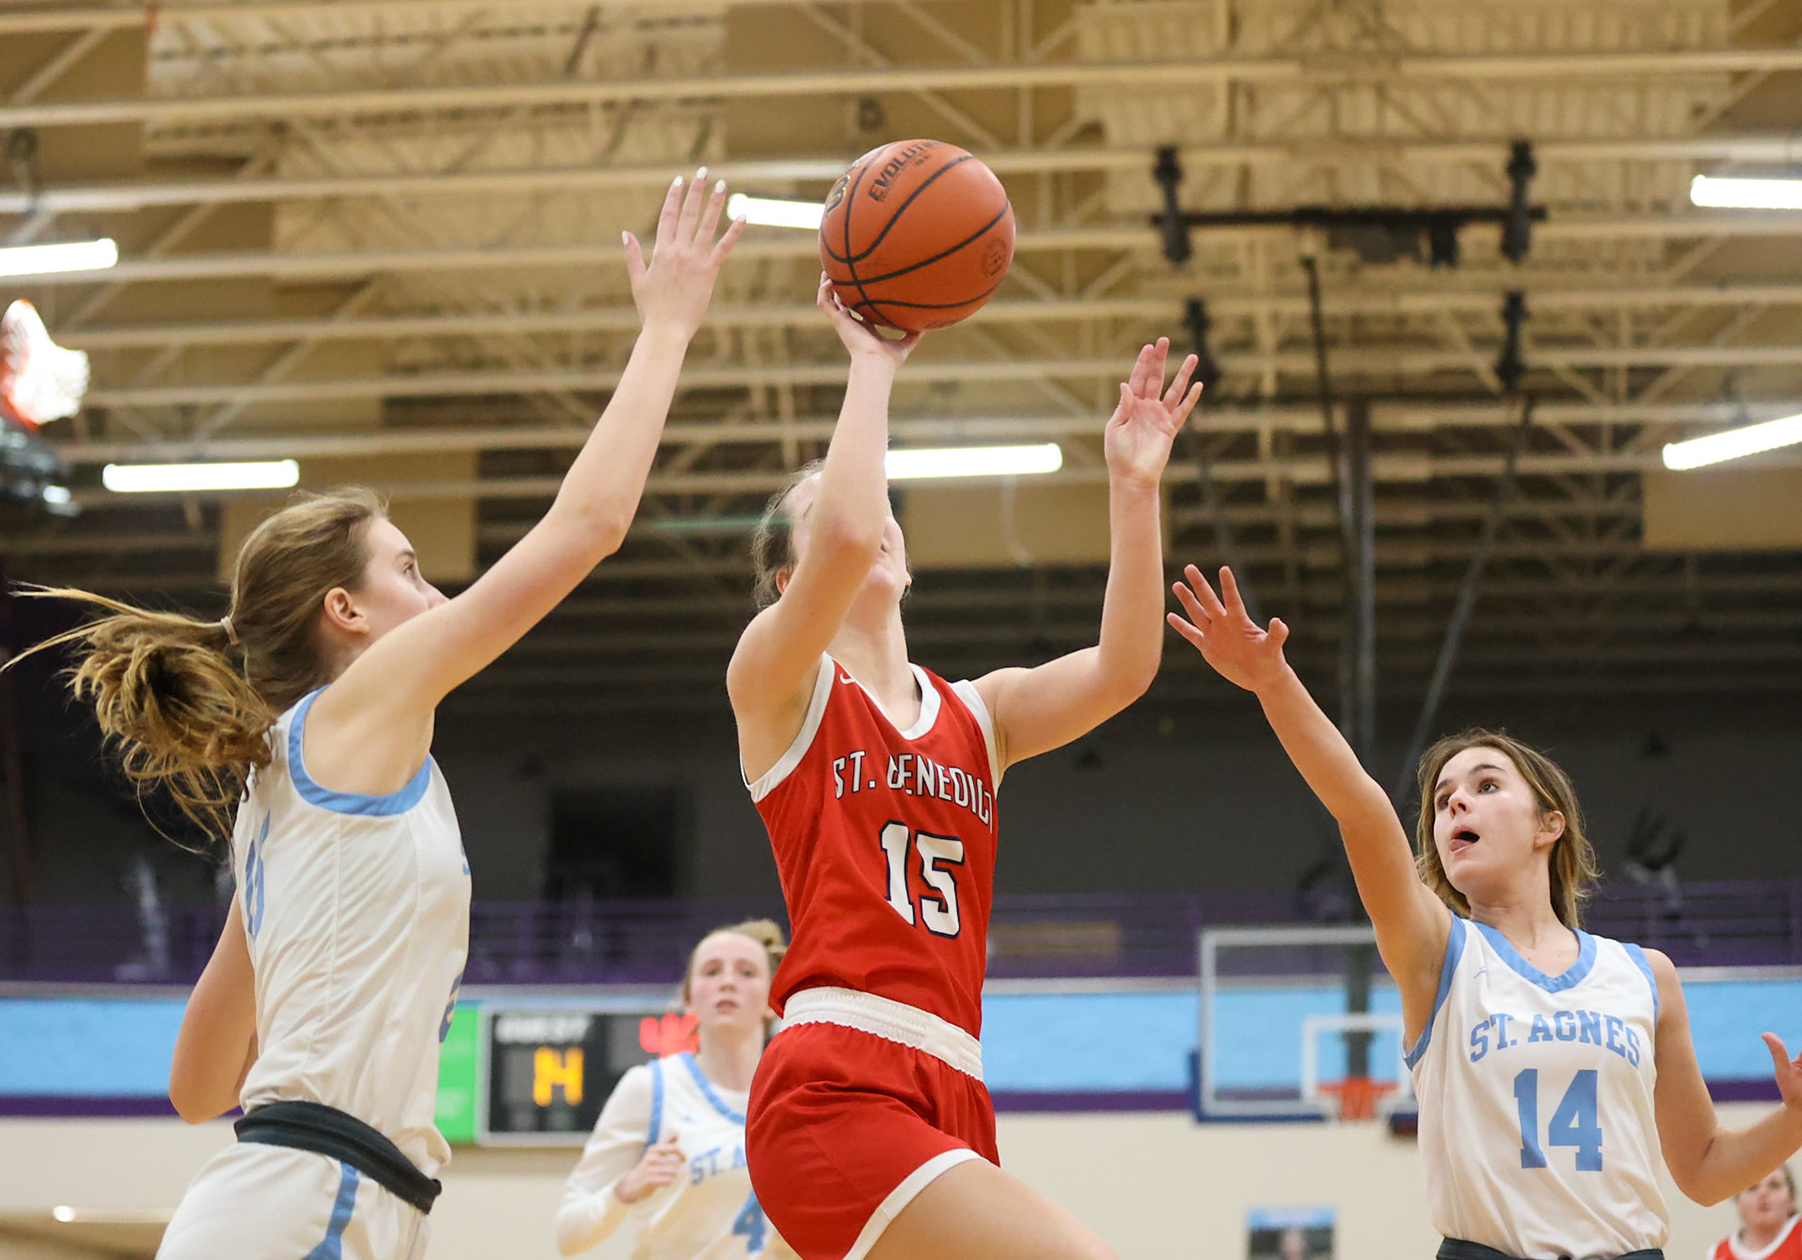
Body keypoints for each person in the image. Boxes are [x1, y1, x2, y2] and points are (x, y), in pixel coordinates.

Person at [15, 170, 744, 1260]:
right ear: (344, 610)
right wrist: (670, 327)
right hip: (318, 1194)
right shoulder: (356, 711)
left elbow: (196, 1082)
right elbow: (587, 524)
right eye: (409, 568)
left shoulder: (285, 796)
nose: (439, 591)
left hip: (306, 1191)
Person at [726, 277, 1202, 1260]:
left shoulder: (979, 713)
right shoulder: (776, 681)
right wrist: (871, 361)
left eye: (874, 505)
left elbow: (1125, 667)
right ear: (789, 579)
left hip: (954, 1079)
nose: (867, 518)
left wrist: (1134, 488)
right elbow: (852, 531)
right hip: (836, 1075)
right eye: (824, 511)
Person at [1166, 563, 1802, 1260]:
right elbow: (1360, 808)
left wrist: (1795, 1118)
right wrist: (1272, 681)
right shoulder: (1438, 952)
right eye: (1442, 800)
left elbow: (1706, 1171)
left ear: (1548, 824)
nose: (1455, 803)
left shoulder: (1647, 976)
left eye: (1485, 784)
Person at [555, 920, 794, 1259]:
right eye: (711, 972)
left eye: (746, 972)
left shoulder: (799, 1094)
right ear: (688, 998)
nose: (727, 982)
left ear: (773, 1000)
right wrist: (624, 1190)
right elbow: (568, 1234)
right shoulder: (651, 1087)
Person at [1713, 1166, 1800, 1260]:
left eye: (1774, 1185)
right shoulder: (1718, 1253)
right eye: (1752, 1187)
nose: (1763, 1193)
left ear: (1792, 1198)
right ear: (1737, 1199)